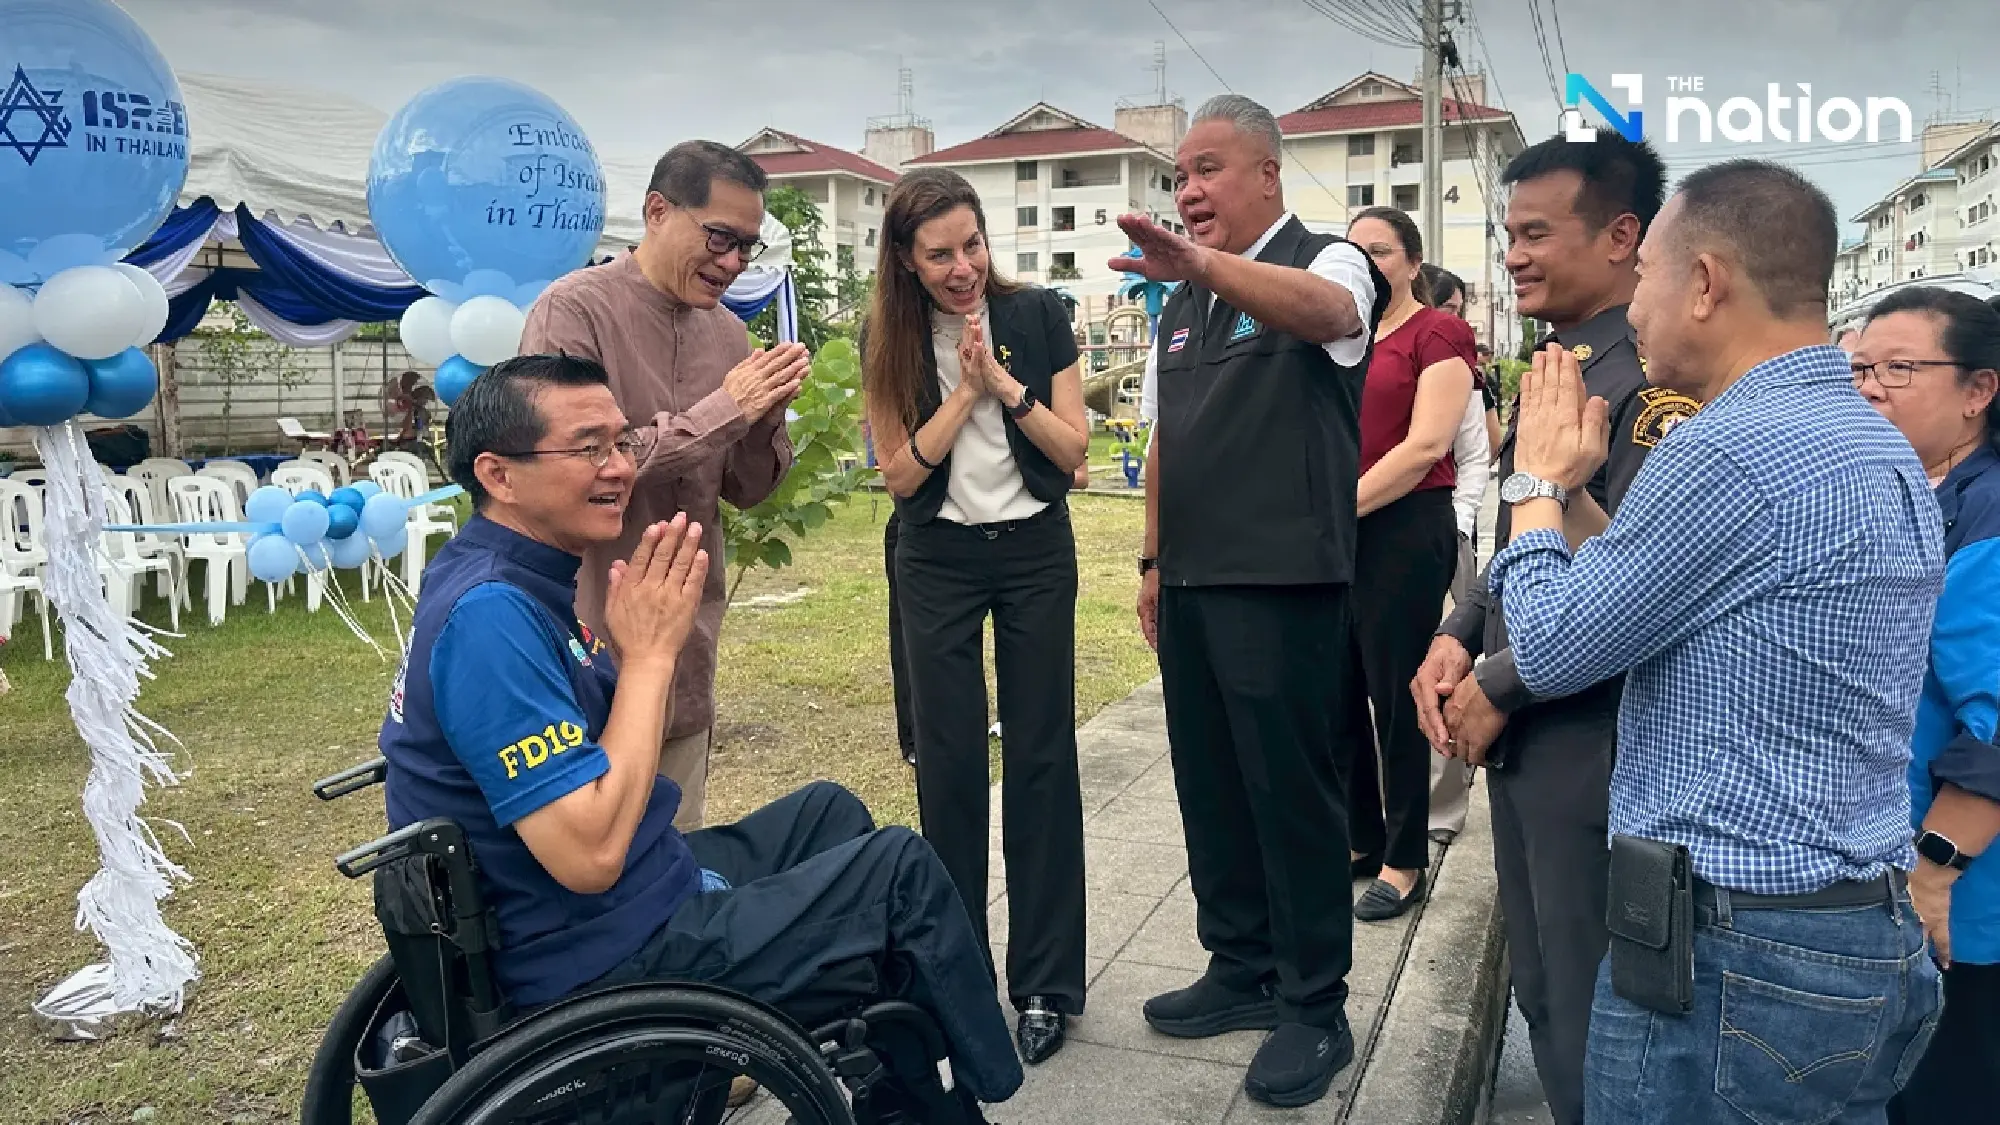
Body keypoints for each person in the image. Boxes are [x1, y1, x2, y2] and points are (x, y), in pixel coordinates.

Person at [377, 354, 1022, 1113]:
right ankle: (973, 1085)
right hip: (598, 958)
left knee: (830, 812)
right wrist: (649, 655)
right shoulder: (489, 616)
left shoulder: (508, 574)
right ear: (498, 473)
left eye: (621, 443)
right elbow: (589, 855)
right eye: (589, 448)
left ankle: (904, 1079)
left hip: (622, 897)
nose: (619, 467)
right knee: (898, 875)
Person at [1484, 159, 1943, 1124]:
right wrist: (1572, 494)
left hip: (1734, 960)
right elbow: (1655, 587)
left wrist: (1530, 484)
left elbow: (1559, 643)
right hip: (1856, 930)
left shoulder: (1729, 449)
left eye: (1647, 272)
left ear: (1704, 283)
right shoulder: (1866, 438)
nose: (1634, 304)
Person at [1410, 130, 1680, 1125]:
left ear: (1621, 236)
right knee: (1538, 985)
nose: (1513, 254)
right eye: (1505, 233)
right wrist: (1457, 628)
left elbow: (1631, 588)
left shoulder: (1650, 394)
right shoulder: (1554, 366)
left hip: (1590, 736)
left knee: (1586, 1006)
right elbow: (1517, 527)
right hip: (1523, 727)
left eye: (1535, 233)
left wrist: (1497, 681)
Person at [1123, 94, 1385, 1108]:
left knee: (1288, 792)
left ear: (1268, 175)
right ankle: (1239, 965)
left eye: (1206, 169)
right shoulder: (1178, 300)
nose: (1186, 191)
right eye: (1177, 176)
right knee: (1211, 787)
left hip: (1280, 581)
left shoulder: (1328, 259)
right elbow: (1160, 444)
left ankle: (1313, 1005)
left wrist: (1204, 267)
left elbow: (1331, 319)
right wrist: (1149, 565)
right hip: (1189, 579)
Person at [862, 167, 1092, 1066]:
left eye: (973, 244)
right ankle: (956, 979)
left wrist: (1004, 383)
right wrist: (960, 395)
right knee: (950, 764)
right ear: (907, 262)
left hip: (1035, 550)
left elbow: (1073, 453)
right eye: (940, 254)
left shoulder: (1037, 317)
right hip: (938, 558)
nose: (963, 267)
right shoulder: (891, 336)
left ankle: (1045, 983)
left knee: (1041, 755)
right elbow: (901, 474)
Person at [520, 140, 808, 832]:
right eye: (720, 238)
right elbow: (581, 466)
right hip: (583, 643)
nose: (734, 262)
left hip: (686, 649)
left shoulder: (730, 337)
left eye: (747, 246)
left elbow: (745, 490)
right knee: (592, 862)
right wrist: (723, 410)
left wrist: (765, 420)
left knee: (678, 866)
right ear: (656, 211)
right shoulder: (573, 313)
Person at [1851, 289, 2000, 1124]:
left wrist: (1935, 873)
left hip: (1960, 903)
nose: (1872, 387)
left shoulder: (1988, 513)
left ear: (1979, 389)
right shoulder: (1924, 492)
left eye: (1901, 368)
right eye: (1863, 367)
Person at [1337, 208, 1474, 920]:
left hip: (1403, 528)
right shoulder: (1343, 338)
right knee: (1338, 693)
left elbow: (1426, 446)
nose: (1366, 261)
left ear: (1413, 262)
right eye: (1353, 250)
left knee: (1396, 697)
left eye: (1381, 250)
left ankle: (1404, 856)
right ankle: (1360, 839)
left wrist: (1333, 509)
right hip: (1336, 535)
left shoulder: (1438, 333)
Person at [1419, 263, 1492, 847]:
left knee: (1439, 667)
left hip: (1442, 533)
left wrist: (1458, 522)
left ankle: (1440, 809)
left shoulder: (1454, 364)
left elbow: (1475, 455)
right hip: (1369, 538)